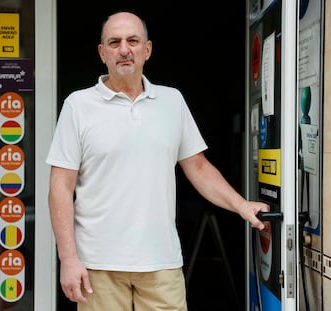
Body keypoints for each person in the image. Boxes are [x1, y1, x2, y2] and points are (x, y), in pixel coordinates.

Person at [46, 10, 270, 311]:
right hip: (98, 265)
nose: (124, 49)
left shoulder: (172, 101)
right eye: (114, 42)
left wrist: (243, 206)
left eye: (132, 41)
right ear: (102, 53)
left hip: (161, 262)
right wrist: (68, 259)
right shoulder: (78, 106)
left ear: (147, 50)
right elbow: (60, 187)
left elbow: (199, 167)